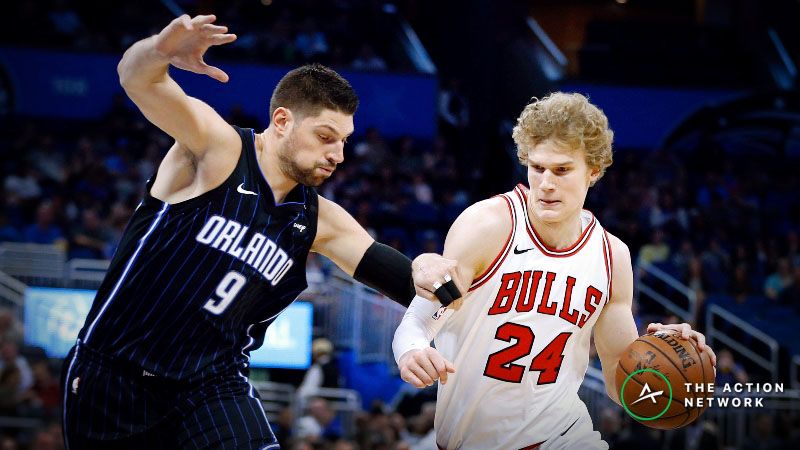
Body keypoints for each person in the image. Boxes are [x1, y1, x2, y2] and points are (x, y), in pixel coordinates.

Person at [62, 14, 458, 449]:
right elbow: (136, 79)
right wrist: (159, 50)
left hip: (210, 382)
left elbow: (408, 282)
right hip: (113, 372)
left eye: (344, 141)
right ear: (283, 120)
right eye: (326, 136)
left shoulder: (319, 218)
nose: (339, 155)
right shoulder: (217, 148)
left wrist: (436, 276)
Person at [392, 93, 717, 449]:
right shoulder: (487, 226)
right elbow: (420, 320)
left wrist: (668, 361)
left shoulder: (612, 256)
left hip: (564, 436)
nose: (546, 182)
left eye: (562, 170)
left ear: (593, 170)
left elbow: (619, 383)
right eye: (537, 168)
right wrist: (412, 350)